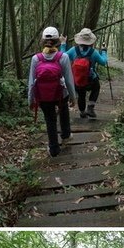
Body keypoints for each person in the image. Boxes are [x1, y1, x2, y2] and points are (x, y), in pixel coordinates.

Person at [28, 27, 76, 157]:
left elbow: (32, 82)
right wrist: (73, 97)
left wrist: (31, 100)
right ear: (57, 42)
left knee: (50, 120)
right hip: (60, 94)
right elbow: (69, 80)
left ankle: (54, 149)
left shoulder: (35, 59)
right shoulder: (63, 57)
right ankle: (66, 136)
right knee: (64, 110)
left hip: (43, 96)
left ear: (42, 41)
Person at [62, 28, 108, 119]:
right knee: (96, 87)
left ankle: (82, 112)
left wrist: (63, 44)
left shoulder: (73, 50)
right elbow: (103, 62)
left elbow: (62, 57)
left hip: (77, 79)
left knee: (81, 95)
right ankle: (90, 107)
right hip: (90, 80)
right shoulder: (93, 52)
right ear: (91, 42)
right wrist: (104, 51)